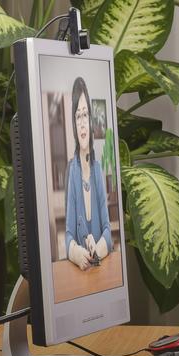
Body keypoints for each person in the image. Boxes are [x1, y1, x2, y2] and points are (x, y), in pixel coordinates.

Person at [65, 77, 112, 271]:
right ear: (74, 125)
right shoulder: (72, 170)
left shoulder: (98, 169)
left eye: (85, 115)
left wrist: (97, 249)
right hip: (79, 276)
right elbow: (68, 234)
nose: (82, 123)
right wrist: (76, 253)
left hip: (101, 273)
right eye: (78, 116)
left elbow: (108, 232)